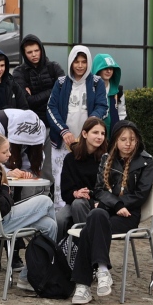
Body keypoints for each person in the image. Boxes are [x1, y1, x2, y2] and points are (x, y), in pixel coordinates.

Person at [70, 120, 153, 305]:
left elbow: (141, 194)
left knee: (89, 228)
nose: (128, 143)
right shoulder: (107, 158)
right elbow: (99, 190)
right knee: (96, 216)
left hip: (128, 215)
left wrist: (118, 205)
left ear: (138, 141)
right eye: (123, 139)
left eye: (132, 140)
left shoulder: (147, 161)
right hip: (108, 210)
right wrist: (115, 204)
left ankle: (83, 286)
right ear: (116, 140)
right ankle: (101, 270)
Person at [0, 131, 58, 281]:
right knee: (45, 201)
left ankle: (28, 277)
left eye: (9, 149)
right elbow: (2, 208)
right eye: (5, 151)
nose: (9, 154)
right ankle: (53, 264)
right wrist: (6, 188)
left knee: (50, 225)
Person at [45, 45, 108, 203]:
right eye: (76, 61)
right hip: (63, 142)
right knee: (60, 181)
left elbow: (103, 106)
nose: (80, 66)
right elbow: (51, 108)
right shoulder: (60, 83)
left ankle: (84, 214)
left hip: (87, 143)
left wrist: (90, 125)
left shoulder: (96, 82)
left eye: (83, 62)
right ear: (70, 63)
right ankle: (60, 219)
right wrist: (63, 131)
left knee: (85, 179)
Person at [54, 118, 107, 236]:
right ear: (84, 134)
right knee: (59, 219)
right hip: (75, 201)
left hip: (99, 202)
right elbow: (65, 191)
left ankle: (87, 247)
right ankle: (61, 252)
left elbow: (108, 188)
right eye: (95, 132)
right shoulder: (70, 158)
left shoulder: (106, 158)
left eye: (102, 133)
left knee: (79, 204)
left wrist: (89, 193)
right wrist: (75, 193)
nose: (99, 137)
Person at [14, 35, 63, 130]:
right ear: (24, 54)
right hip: (32, 123)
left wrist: (35, 97)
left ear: (41, 50)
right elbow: (27, 101)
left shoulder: (54, 67)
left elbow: (62, 92)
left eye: (36, 51)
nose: (34, 55)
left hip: (55, 120)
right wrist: (53, 89)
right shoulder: (19, 72)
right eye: (29, 52)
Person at [93, 53, 125, 123]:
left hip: (114, 131)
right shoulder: (90, 90)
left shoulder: (118, 91)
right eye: (105, 68)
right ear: (97, 69)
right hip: (96, 131)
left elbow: (122, 114)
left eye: (111, 68)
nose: (109, 71)